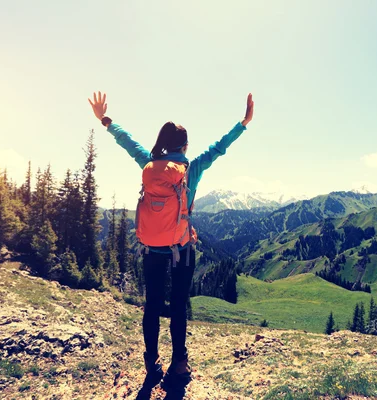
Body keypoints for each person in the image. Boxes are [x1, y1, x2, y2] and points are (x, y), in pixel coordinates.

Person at [88, 92, 254, 398]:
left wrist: (106, 121)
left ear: (162, 143)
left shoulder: (150, 165)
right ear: (185, 146)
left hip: (151, 247)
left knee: (152, 303)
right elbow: (219, 147)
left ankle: (152, 363)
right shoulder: (191, 169)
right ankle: (179, 364)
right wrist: (243, 123)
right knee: (178, 304)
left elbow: (130, 143)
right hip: (181, 248)